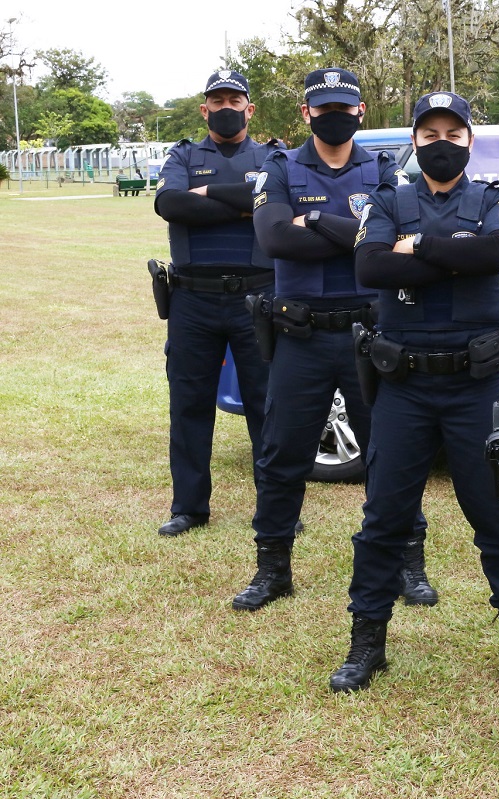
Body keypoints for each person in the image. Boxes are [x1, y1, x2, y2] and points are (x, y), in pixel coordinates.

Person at [328, 91, 499, 695]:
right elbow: (371, 269)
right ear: (414, 141)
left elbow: (498, 252)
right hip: (404, 388)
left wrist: (416, 247)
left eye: (453, 132)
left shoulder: (495, 198)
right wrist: (456, 259)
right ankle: (368, 640)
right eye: (430, 133)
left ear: (470, 139)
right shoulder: (388, 198)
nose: (441, 143)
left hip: (476, 388)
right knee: (383, 517)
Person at [234, 67, 410, 611]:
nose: (334, 116)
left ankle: (408, 564)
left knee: (392, 454)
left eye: (344, 107)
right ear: (306, 113)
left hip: (370, 332)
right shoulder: (280, 168)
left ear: (361, 111)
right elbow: (273, 239)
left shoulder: (383, 171)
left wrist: (313, 226)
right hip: (300, 336)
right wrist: (357, 237)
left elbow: (392, 244)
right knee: (282, 454)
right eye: (323, 108)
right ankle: (273, 568)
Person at [151, 69, 276, 538]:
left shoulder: (272, 156)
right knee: (189, 404)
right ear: (204, 109)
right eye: (217, 100)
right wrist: (247, 204)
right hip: (192, 302)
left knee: (268, 407)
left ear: (250, 108)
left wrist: (208, 195)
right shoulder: (183, 154)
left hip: (257, 300)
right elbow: (172, 205)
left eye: (234, 100)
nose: (226, 108)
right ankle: (189, 507)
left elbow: (274, 201)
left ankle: (276, 505)